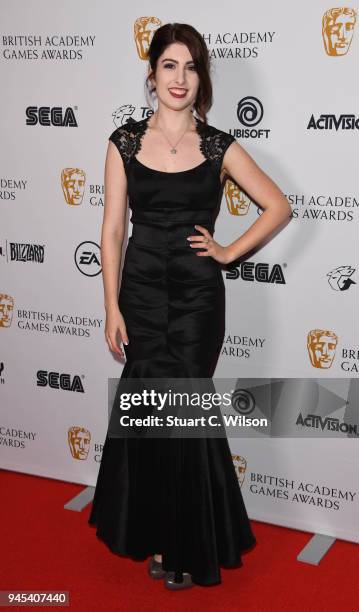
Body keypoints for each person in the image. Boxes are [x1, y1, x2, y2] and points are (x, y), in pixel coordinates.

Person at [88, 22, 291, 590]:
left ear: (201, 78)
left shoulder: (218, 145)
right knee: (152, 415)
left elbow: (278, 206)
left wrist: (226, 252)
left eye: (191, 66)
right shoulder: (123, 141)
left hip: (200, 296)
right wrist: (111, 305)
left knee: (184, 412)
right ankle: (156, 535)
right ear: (152, 74)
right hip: (143, 292)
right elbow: (110, 232)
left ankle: (184, 546)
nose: (180, 78)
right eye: (170, 65)